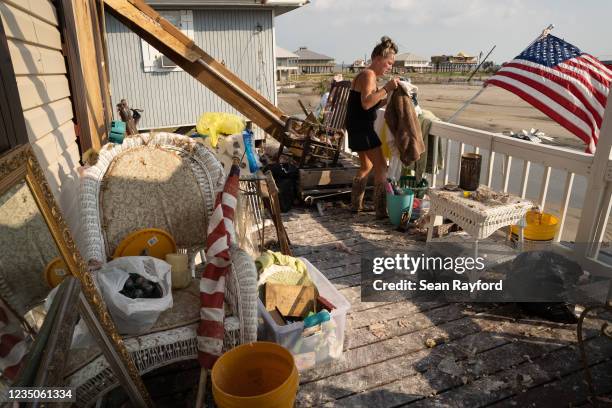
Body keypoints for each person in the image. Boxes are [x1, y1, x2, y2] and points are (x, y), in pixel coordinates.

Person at [346, 36, 399, 218]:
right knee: (382, 167)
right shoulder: (369, 75)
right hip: (362, 127)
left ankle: (355, 205)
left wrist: (387, 96)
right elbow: (367, 104)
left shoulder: (366, 75)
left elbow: (368, 102)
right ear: (377, 58)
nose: (390, 67)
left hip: (355, 125)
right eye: (388, 63)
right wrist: (387, 88)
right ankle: (381, 210)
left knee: (366, 165)